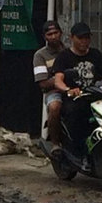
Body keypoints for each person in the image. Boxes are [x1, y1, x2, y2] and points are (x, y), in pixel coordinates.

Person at [52, 22, 102, 155]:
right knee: (76, 116)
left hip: (95, 96)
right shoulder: (64, 57)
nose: (84, 41)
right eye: (80, 38)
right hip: (76, 98)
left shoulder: (95, 54)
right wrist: (68, 90)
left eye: (87, 38)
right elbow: (58, 80)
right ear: (72, 38)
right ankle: (78, 151)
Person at [33, 20, 65, 157]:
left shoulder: (69, 51)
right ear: (45, 37)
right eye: (49, 34)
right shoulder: (40, 56)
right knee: (54, 107)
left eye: (55, 33)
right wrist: (60, 82)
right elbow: (43, 82)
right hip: (54, 93)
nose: (53, 36)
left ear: (61, 33)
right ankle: (55, 143)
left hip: (75, 91)